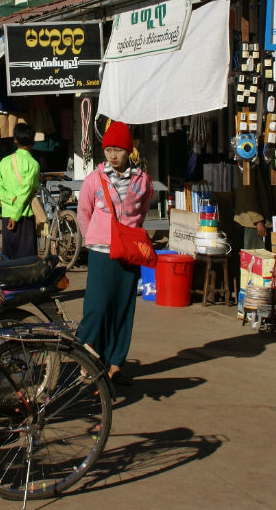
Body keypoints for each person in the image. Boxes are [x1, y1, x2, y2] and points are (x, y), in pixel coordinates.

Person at [75, 121, 153, 386]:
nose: (113, 155)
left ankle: (115, 364)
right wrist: (94, 237)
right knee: (96, 307)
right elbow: (83, 213)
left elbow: (142, 211)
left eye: (118, 149)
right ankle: (86, 355)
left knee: (123, 308)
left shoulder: (142, 181)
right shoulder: (94, 180)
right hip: (100, 251)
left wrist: (128, 233)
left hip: (129, 253)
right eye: (108, 149)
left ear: (128, 151)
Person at [0, 122, 40, 260]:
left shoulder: (4, 162)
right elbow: (27, 191)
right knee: (26, 261)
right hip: (24, 215)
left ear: (15, 140)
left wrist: (11, 199)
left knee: (8, 258)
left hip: (7, 214)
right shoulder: (33, 164)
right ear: (33, 141)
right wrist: (16, 215)